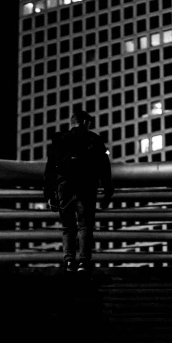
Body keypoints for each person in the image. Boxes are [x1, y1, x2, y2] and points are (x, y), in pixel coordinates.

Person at [44, 109, 114, 272]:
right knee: (85, 226)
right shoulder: (94, 139)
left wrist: (49, 194)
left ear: (72, 122)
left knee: (68, 227)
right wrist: (107, 191)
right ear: (85, 122)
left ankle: (69, 261)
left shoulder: (60, 139)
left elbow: (51, 168)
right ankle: (84, 261)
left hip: (65, 186)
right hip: (86, 186)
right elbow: (104, 168)